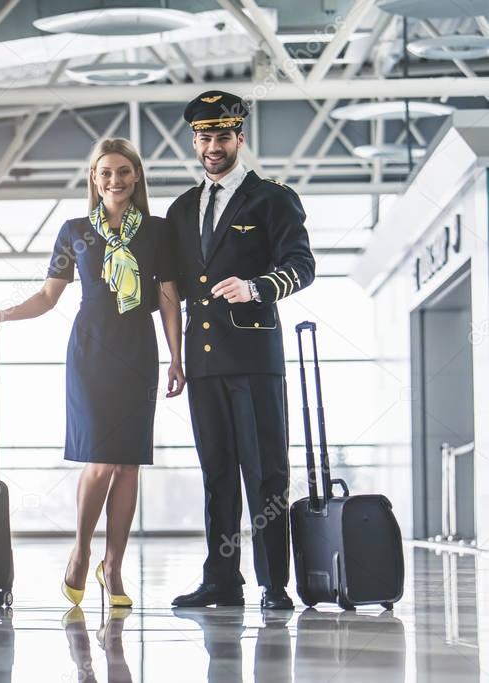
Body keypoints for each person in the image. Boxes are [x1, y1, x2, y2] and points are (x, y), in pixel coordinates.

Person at [0, 137, 185, 608]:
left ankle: (113, 568)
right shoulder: (74, 230)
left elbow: (169, 298)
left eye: (124, 171)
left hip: (138, 348)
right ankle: (81, 549)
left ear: (136, 178)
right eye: (105, 171)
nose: (115, 179)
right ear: (94, 177)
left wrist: (177, 357)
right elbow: (49, 296)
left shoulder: (157, 231)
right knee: (102, 461)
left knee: (129, 463)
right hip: (91, 350)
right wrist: (4, 314)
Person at [166, 90, 315, 611]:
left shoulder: (274, 198)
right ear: (194, 140)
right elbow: (174, 283)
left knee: (266, 471)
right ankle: (223, 581)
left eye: (222, 136)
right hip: (203, 363)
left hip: (253, 360)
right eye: (204, 137)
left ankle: (275, 585)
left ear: (239, 138)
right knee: (218, 473)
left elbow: (302, 266)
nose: (213, 146)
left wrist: (257, 287)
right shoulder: (182, 208)